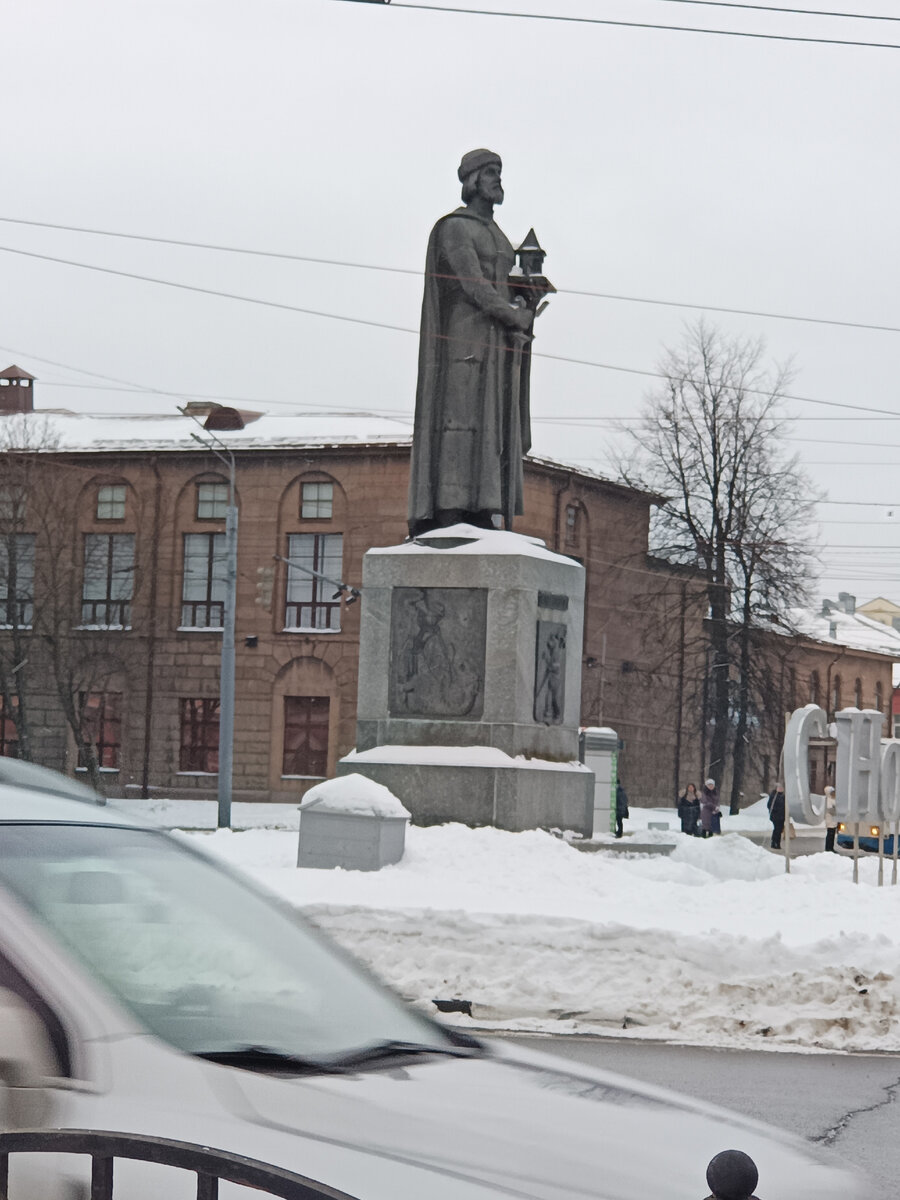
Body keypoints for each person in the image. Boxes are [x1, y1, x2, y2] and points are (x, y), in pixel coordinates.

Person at [408, 149, 535, 538]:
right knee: (460, 423)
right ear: (472, 180)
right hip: (462, 343)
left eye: (499, 172)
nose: (498, 180)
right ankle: (450, 506)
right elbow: (472, 283)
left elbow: (507, 283)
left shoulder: (499, 235)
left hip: (498, 347)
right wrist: (512, 313)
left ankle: (484, 507)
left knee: (492, 424)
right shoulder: (455, 228)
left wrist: (525, 300)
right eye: (491, 173)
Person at [767, 781, 786, 849]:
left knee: (779, 830)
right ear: (776, 788)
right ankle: (775, 843)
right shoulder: (774, 796)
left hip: (782, 816)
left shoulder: (783, 796)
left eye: (782, 787)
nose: (781, 789)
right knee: (777, 829)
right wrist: (776, 810)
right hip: (776, 816)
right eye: (780, 787)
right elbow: (769, 805)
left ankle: (775, 842)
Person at [824, 785, 838, 852]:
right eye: (832, 792)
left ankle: (831, 848)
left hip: (833, 820)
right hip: (830, 820)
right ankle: (828, 848)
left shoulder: (833, 799)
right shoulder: (828, 800)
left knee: (832, 835)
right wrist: (837, 811)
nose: (834, 793)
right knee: (830, 834)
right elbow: (830, 810)